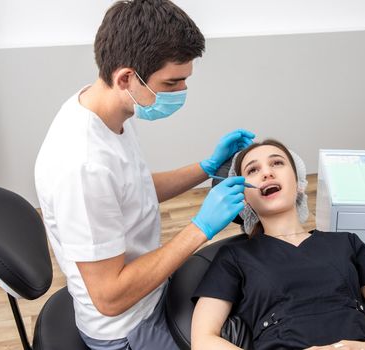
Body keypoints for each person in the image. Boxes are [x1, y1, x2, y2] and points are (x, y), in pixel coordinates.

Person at [34, 1, 254, 349]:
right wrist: (199, 228)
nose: (181, 91)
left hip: (152, 293)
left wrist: (205, 168)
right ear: (126, 78)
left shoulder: (105, 109)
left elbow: (131, 189)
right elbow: (109, 297)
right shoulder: (81, 165)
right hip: (127, 328)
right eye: (172, 82)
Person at [191, 139, 365, 350]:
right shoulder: (234, 257)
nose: (267, 172)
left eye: (277, 163)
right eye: (253, 170)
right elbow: (203, 340)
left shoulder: (347, 243)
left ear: (298, 183)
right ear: (245, 198)